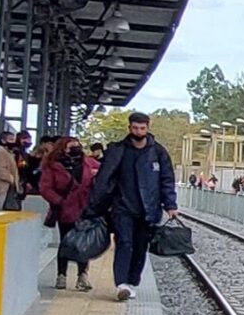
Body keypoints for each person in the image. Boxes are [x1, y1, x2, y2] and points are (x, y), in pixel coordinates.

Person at [85, 112, 179, 301]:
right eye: (135, 128)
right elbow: (104, 179)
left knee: (140, 246)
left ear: (148, 128)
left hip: (149, 209)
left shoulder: (159, 153)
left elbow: (167, 179)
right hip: (122, 208)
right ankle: (121, 284)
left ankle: (132, 281)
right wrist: (94, 206)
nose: (138, 132)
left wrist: (170, 204)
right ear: (129, 128)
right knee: (124, 243)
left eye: (142, 128)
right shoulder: (118, 150)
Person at [40, 137, 97, 292]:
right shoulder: (53, 166)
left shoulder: (88, 163)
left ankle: (82, 276)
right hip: (65, 210)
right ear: (62, 148)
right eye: (72, 147)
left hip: (85, 209)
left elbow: (104, 176)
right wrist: (58, 201)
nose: (76, 149)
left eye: (78, 146)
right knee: (66, 242)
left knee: (84, 244)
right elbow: (45, 188)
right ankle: (61, 275)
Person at [0, 129, 22, 211]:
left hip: (7, 188)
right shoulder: (0, 151)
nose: (14, 141)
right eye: (11, 139)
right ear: (3, 140)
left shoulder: (8, 152)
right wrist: (12, 179)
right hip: (2, 189)